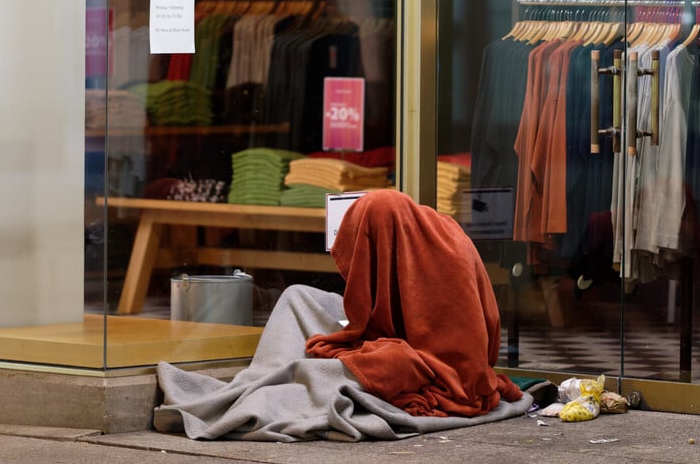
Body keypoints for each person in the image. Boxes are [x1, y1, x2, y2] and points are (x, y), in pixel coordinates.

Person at [153, 189, 527, 441]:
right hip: (419, 344)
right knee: (299, 297)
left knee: (334, 370)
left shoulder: (443, 259)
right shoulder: (426, 231)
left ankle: (260, 387)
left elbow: (453, 363)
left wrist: (361, 350)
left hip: (442, 365)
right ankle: (263, 382)